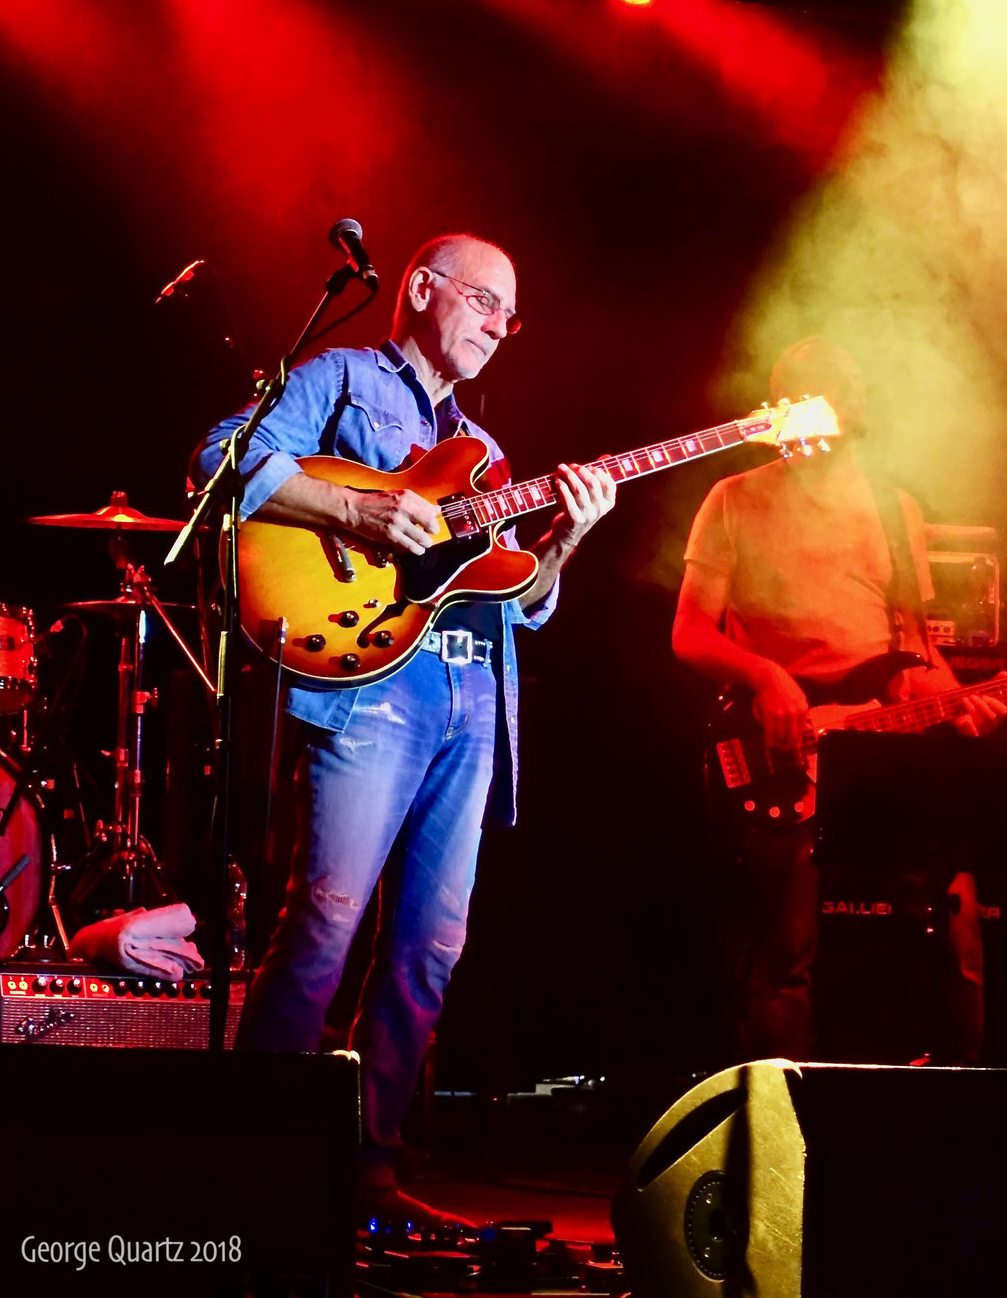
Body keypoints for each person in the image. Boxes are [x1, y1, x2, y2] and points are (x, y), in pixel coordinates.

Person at [193, 233, 615, 1222]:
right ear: (421, 290)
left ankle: (367, 1170)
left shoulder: (485, 452)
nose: (500, 327)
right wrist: (358, 513)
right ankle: (250, 1162)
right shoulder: (340, 377)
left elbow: (519, 597)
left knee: (431, 944)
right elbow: (222, 459)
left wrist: (567, 536)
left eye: (511, 314)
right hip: (369, 687)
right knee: (328, 916)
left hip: (469, 699)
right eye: (484, 301)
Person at [672, 336, 1004, 1064]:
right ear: (777, 405)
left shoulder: (896, 508)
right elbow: (690, 632)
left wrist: (959, 699)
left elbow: (913, 641)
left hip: (885, 747)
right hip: (788, 754)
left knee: (958, 933)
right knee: (782, 957)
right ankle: (781, 1138)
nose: (826, 397)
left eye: (840, 384)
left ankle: (948, 1125)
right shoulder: (733, 499)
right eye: (805, 388)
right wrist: (765, 676)